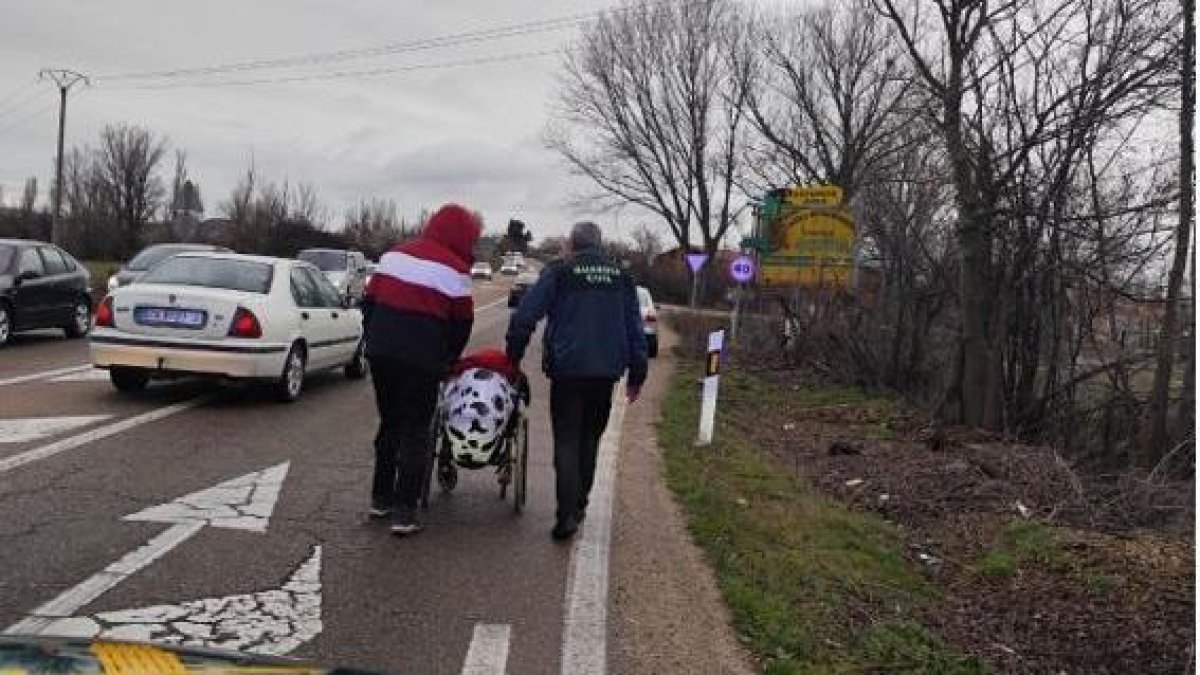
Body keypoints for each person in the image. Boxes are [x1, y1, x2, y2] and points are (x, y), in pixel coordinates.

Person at [506, 221, 648, 540]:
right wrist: (637, 374)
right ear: (600, 244)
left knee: (567, 439)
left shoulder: (560, 271)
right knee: (590, 439)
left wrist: (512, 356)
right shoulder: (621, 277)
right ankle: (579, 504)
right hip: (606, 372)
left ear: (572, 243)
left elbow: (526, 315)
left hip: (567, 370)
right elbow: (634, 329)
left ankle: (566, 513)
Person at [362, 203, 481, 535]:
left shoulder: (393, 256)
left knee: (390, 423)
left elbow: (368, 303)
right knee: (416, 430)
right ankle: (404, 512)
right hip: (423, 361)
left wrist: (374, 340)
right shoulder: (456, 271)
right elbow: (461, 326)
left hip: (382, 354)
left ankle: (380, 498)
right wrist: (448, 361)